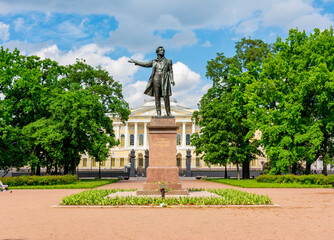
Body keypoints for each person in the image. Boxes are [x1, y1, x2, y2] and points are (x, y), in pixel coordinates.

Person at [128, 46, 175, 116]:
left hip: (165, 79)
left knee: (166, 96)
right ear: (157, 52)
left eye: (163, 50)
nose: (163, 51)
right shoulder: (154, 61)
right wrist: (135, 61)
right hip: (156, 79)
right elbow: (145, 64)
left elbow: (171, 71)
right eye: (161, 50)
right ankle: (158, 113)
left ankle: (168, 113)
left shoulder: (168, 61)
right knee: (157, 97)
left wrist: (172, 79)